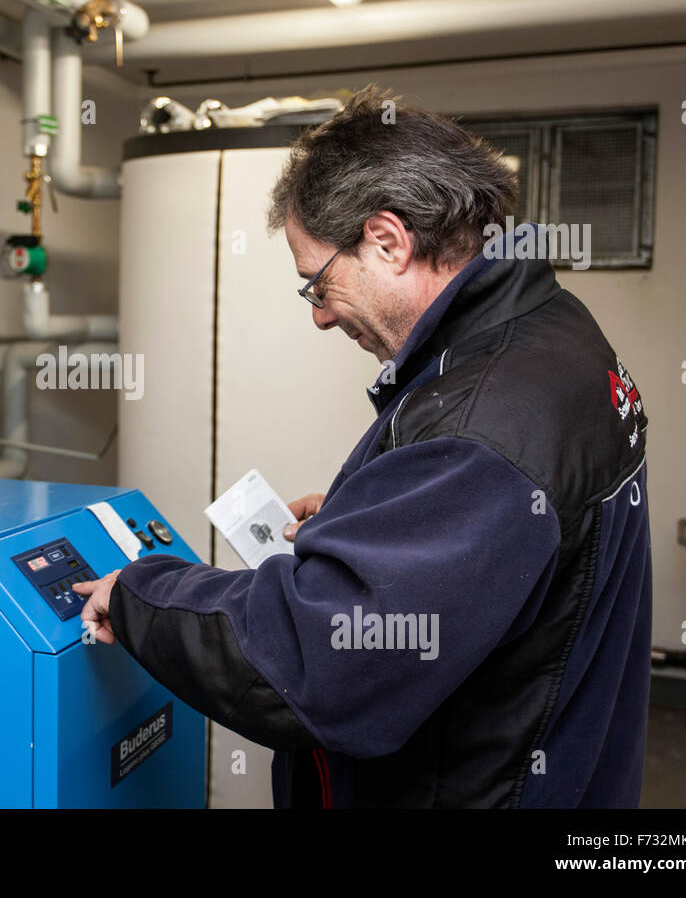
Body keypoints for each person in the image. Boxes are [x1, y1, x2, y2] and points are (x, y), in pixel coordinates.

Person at [73, 86, 651, 808]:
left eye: (317, 283)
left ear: (387, 239)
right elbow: (506, 550)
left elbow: (321, 663)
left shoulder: (479, 425)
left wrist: (142, 593)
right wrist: (375, 514)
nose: (318, 317)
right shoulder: (553, 330)